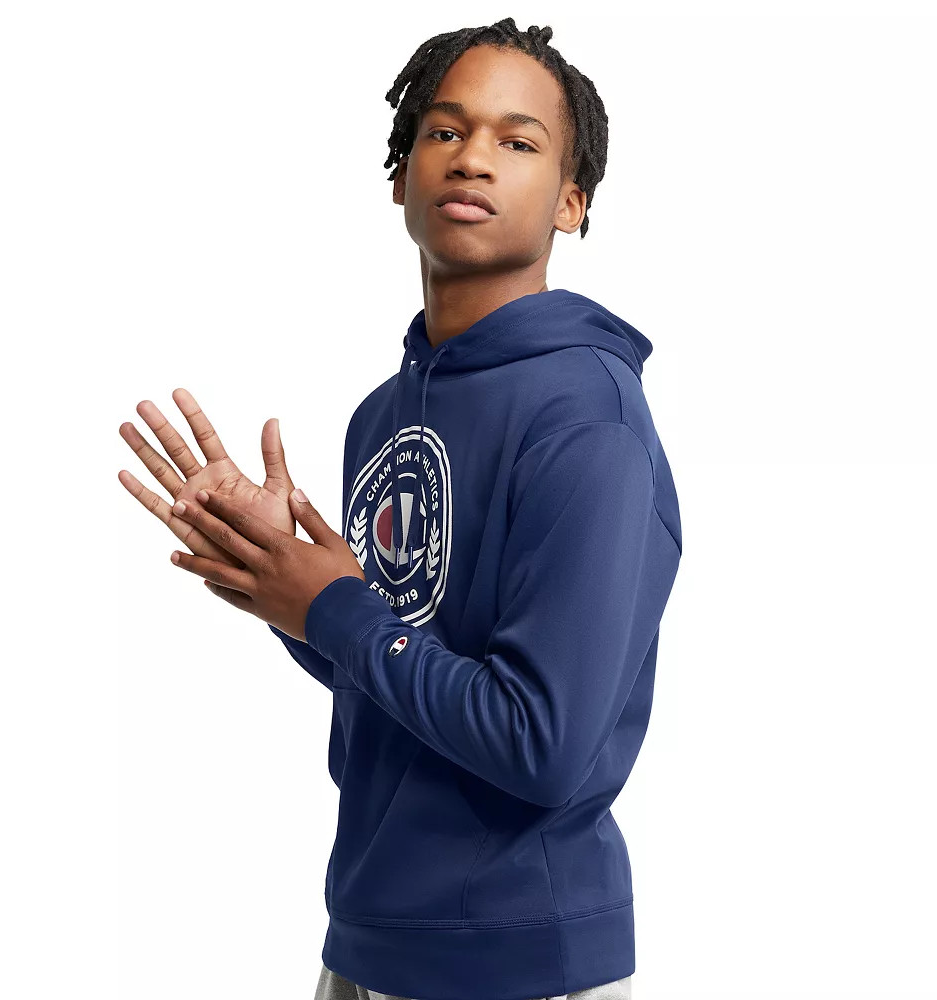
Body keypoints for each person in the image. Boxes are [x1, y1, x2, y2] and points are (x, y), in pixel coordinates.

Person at [118, 17, 682, 1000]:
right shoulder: (382, 414)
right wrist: (279, 581)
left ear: (572, 202)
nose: (472, 158)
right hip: (369, 937)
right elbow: (401, 666)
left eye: (518, 142)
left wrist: (333, 606)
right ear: (399, 175)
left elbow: (541, 745)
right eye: (443, 131)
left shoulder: (587, 421)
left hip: (513, 958)